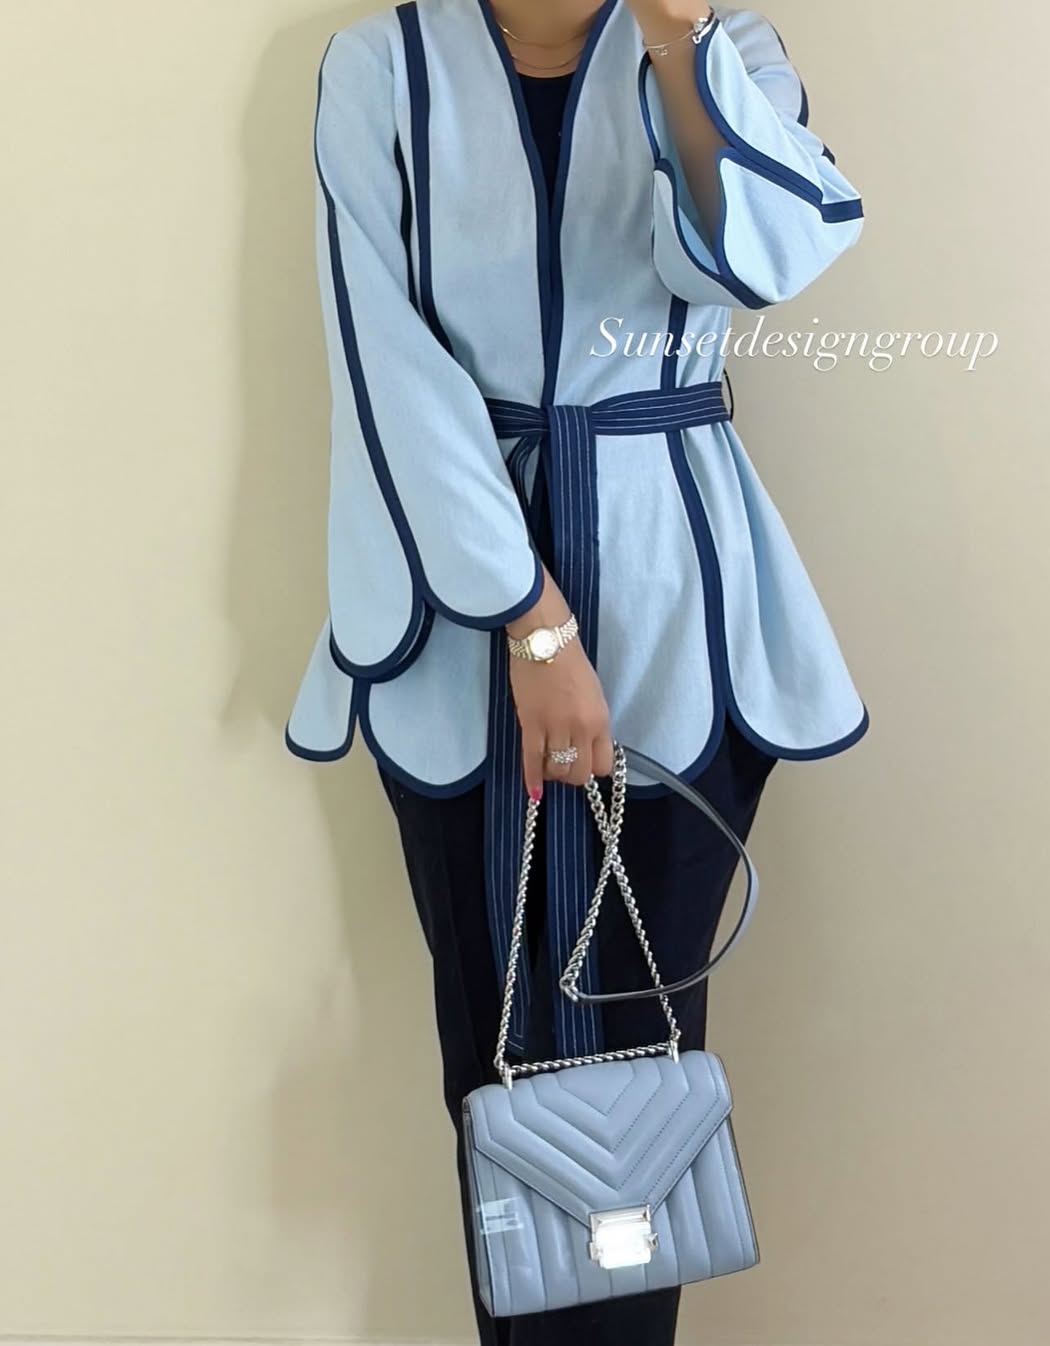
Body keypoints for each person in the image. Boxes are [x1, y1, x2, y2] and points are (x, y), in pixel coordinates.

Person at [284, 2, 868, 1341]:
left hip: (676, 615)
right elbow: (382, 364)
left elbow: (765, 256)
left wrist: (678, 41)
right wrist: (530, 621)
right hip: (454, 637)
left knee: (642, 1072)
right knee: (495, 1071)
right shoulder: (380, 66)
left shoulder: (731, 46)